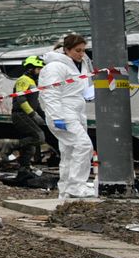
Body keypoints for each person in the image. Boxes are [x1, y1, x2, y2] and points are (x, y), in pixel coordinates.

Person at [38, 33, 96, 200]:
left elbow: (79, 88)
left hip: (77, 110)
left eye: (83, 50)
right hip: (63, 112)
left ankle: (65, 190)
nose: (81, 54)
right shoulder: (55, 67)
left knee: (69, 152)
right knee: (84, 146)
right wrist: (56, 116)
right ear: (66, 50)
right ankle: (76, 187)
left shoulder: (81, 64)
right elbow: (50, 93)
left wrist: (90, 95)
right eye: (78, 50)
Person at [7, 55, 49, 183]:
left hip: (25, 114)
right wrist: (32, 114)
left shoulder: (33, 82)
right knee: (38, 136)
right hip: (20, 114)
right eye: (39, 69)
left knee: (30, 147)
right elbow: (21, 99)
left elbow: (36, 103)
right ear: (31, 68)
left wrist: (45, 117)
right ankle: (11, 145)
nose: (40, 71)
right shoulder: (23, 80)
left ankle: (24, 170)